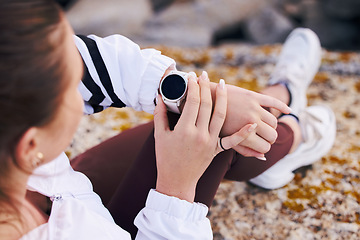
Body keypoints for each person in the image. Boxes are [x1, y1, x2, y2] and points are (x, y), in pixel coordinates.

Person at [0, 1, 335, 240]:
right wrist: (177, 187)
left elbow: (90, 60)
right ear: (31, 144)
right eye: (72, 92)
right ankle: (293, 126)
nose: (83, 93)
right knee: (206, 132)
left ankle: (279, 98)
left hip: (51, 192)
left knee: (195, 117)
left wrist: (186, 93)